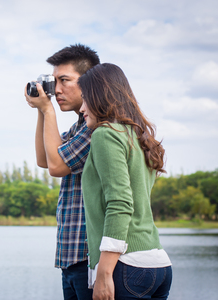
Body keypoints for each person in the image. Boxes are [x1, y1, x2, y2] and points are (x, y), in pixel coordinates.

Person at [78, 63, 172, 300]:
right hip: (158, 265)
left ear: (99, 97)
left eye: (85, 99)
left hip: (126, 267)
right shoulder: (139, 137)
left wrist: (104, 273)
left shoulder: (105, 133)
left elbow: (120, 203)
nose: (81, 108)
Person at [25, 44, 100, 300]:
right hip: (70, 258)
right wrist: (40, 110)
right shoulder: (79, 126)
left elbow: (57, 167)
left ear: (90, 83)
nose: (56, 90)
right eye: (54, 81)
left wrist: (48, 110)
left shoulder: (97, 127)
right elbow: (45, 160)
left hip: (89, 259)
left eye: (64, 80)